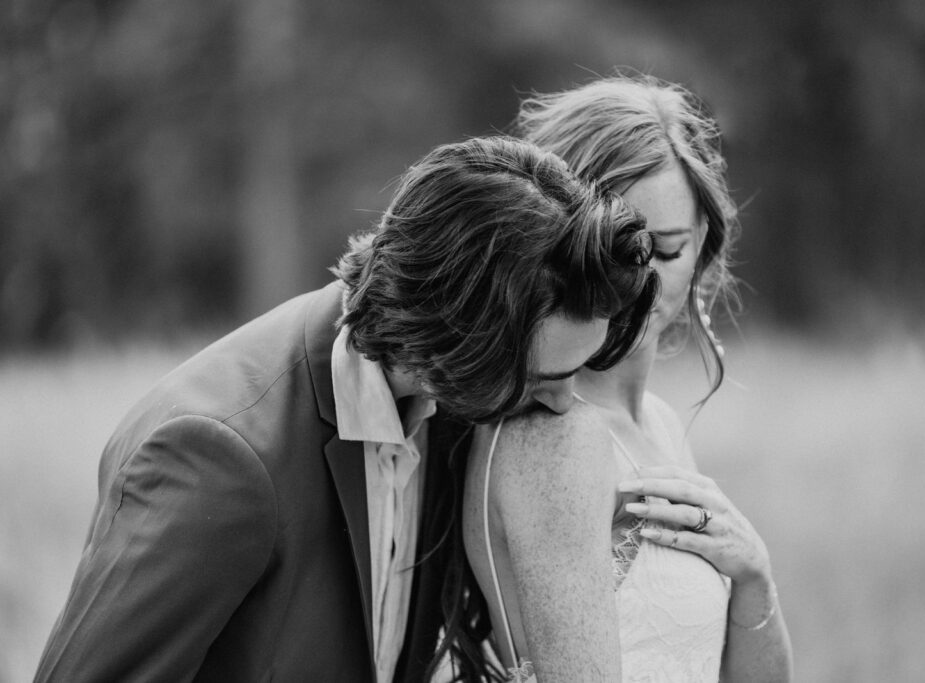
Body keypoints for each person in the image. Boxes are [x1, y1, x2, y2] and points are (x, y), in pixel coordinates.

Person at [34, 136, 658, 682]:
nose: (563, 401)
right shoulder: (217, 456)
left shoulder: (453, 406)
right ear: (457, 337)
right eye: (543, 377)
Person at [450, 75, 794, 681]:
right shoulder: (556, 432)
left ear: (704, 243)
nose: (643, 287)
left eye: (666, 251)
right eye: (619, 252)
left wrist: (754, 577)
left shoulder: (656, 423)